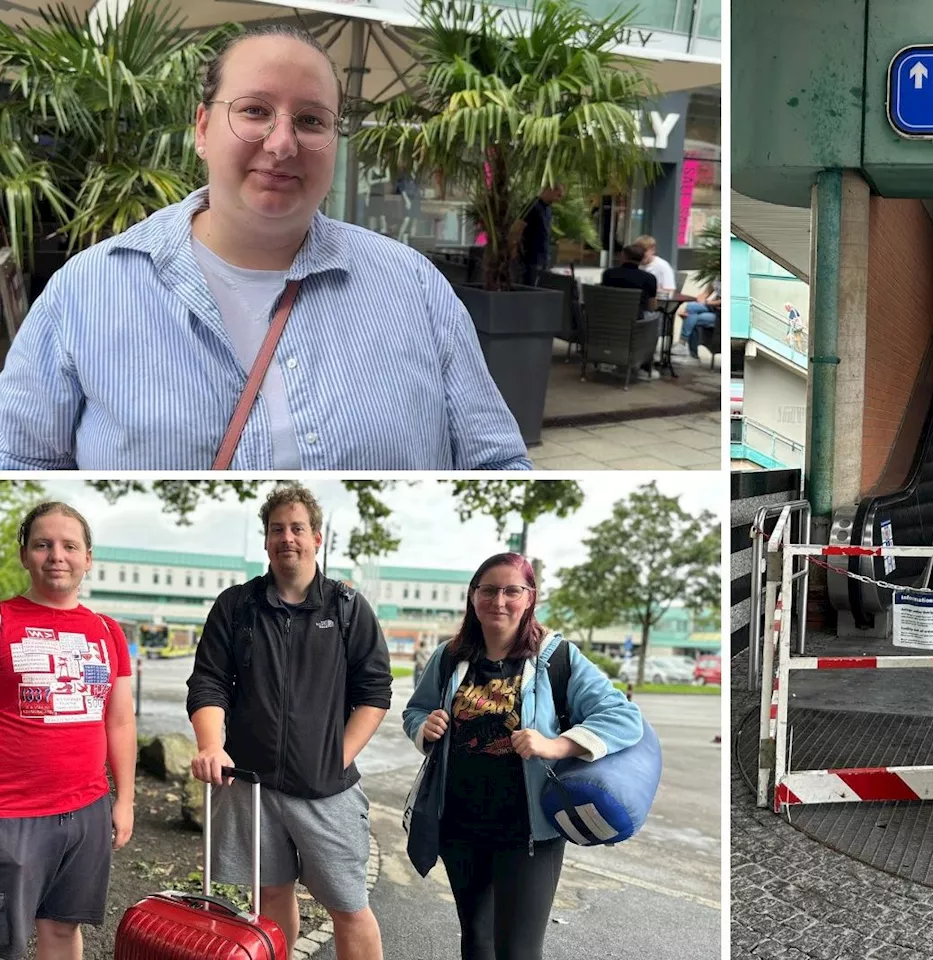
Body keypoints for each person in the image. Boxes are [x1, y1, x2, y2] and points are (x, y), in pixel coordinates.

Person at [0, 23, 529, 471]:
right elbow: (17, 466)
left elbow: (500, 465)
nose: (281, 143)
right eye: (254, 110)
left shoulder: (413, 287)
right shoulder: (86, 291)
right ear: (203, 128)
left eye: (311, 120)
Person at [187, 485, 392, 960]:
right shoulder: (236, 607)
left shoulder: (347, 608)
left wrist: (335, 760)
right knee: (270, 897)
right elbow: (209, 683)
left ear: (317, 538)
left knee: (349, 907)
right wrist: (212, 744)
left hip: (327, 792)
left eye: (297, 528)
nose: (287, 538)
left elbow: (375, 694)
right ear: (265, 541)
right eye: (277, 529)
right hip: (253, 787)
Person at [404, 553, 644, 960]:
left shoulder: (556, 658)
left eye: (511, 591)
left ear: (530, 598)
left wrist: (556, 745)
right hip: (461, 827)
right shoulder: (450, 656)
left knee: (518, 951)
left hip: (529, 835)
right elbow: (416, 709)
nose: (499, 600)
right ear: (473, 596)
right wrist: (423, 728)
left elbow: (624, 717)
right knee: (476, 944)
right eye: (488, 590)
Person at [0, 502, 135, 960]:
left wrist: (126, 800)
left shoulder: (106, 631)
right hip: (11, 812)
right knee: (7, 942)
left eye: (69, 545)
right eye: (43, 544)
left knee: (62, 930)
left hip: (86, 811)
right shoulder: (3, 620)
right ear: (25, 555)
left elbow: (118, 721)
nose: (57, 555)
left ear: (87, 557)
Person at [601, 242, 662, 379]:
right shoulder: (649, 278)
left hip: (608, 321)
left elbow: (604, 298)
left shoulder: (608, 274)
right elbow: (652, 306)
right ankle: (644, 367)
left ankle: (606, 361)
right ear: (641, 259)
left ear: (623, 256)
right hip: (635, 323)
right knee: (654, 320)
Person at [518, 185, 565, 286]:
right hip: (531, 258)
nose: (559, 200)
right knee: (530, 286)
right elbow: (519, 228)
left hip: (543, 257)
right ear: (550, 190)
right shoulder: (532, 206)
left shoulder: (548, 209)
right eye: (558, 196)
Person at [677, 278, 721, 358]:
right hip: (711, 307)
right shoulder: (716, 277)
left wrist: (707, 302)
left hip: (720, 315)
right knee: (691, 308)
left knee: (691, 318)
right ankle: (686, 348)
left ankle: (683, 344)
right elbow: (705, 293)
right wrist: (701, 299)